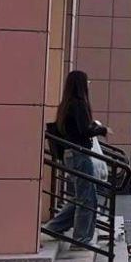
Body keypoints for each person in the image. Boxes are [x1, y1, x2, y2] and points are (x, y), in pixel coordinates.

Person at [43, 71, 109, 245]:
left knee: (82, 196)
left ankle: (54, 227)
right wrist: (101, 130)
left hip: (70, 154)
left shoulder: (66, 104)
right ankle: (81, 239)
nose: (88, 85)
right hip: (80, 154)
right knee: (87, 199)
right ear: (81, 85)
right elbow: (84, 130)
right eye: (87, 82)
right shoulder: (79, 104)